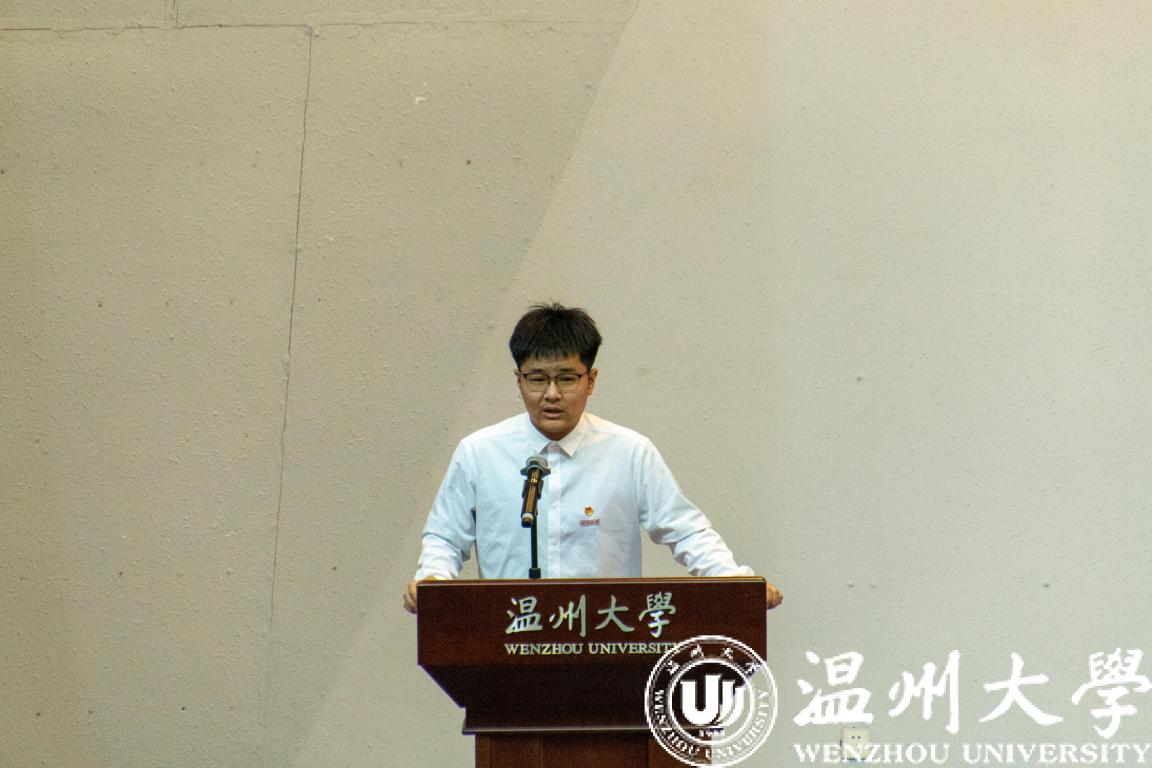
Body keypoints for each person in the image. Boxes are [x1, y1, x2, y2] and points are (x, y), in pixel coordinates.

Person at [403, 303, 782, 613]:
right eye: (537, 379)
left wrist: (734, 582)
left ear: (591, 380)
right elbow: (445, 538)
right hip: (510, 634)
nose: (552, 394)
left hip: (606, 636)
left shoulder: (629, 452)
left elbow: (685, 531)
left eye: (567, 378)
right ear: (518, 380)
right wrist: (432, 582)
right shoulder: (479, 452)